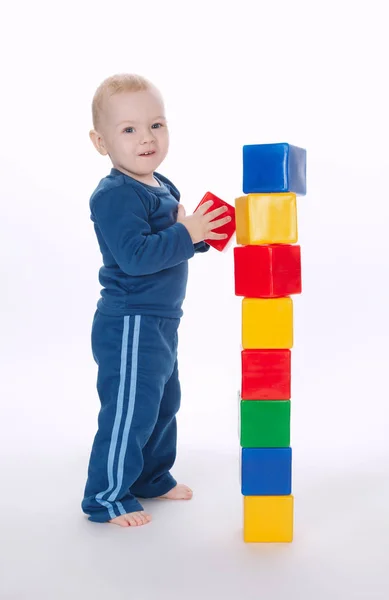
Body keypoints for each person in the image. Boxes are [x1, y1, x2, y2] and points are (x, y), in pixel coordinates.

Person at [81, 73, 231, 527]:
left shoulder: (161, 185)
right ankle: (105, 497)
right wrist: (187, 233)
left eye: (157, 125)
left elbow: (170, 239)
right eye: (128, 129)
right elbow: (137, 256)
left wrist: (202, 234)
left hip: (162, 321)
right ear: (101, 142)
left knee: (164, 402)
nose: (146, 138)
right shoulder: (113, 195)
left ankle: (150, 476)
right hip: (130, 322)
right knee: (130, 408)